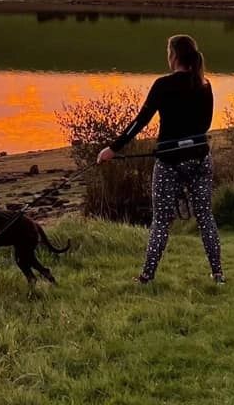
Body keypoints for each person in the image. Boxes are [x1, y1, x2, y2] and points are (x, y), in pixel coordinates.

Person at [96, 34, 224, 285]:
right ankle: (218, 274)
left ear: (173, 56)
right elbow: (205, 124)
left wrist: (113, 149)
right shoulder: (204, 85)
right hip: (199, 159)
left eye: (168, 53)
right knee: (205, 216)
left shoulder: (163, 85)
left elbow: (139, 123)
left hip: (169, 163)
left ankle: (147, 276)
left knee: (161, 221)